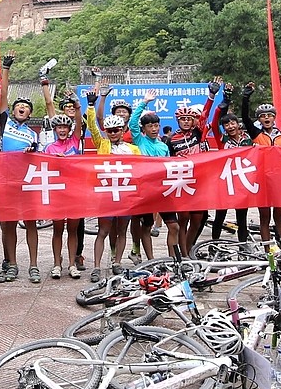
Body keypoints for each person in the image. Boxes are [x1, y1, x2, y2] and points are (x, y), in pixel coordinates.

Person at [86, 84, 141, 282]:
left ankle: (117, 262)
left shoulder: (133, 149)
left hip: (126, 195)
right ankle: (96, 267)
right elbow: (93, 126)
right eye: (109, 130)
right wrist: (90, 106)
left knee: (122, 230)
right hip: (106, 194)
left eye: (116, 130)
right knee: (103, 231)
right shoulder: (102, 144)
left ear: (123, 129)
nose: (112, 133)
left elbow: (143, 171)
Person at [0, 51, 40, 283]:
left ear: (30, 113)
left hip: (28, 183)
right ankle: (12, 264)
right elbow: (3, 95)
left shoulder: (33, 134)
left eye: (26, 106)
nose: (21, 108)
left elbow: (40, 157)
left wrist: (32, 152)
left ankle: (33, 265)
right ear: (13, 111)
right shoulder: (6, 124)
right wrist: (6, 67)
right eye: (18, 105)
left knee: (31, 224)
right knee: (8, 226)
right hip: (6, 181)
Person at [163, 78, 218, 257]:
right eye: (183, 119)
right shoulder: (171, 139)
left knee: (198, 219)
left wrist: (211, 95)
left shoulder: (197, 132)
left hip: (200, 180)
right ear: (178, 121)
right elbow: (168, 161)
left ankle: (188, 249)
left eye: (189, 119)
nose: (186, 122)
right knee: (183, 219)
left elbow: (205, 114)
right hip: (182, 181)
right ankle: (183, 254)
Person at [239, 82, 281, 244]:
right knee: (264, 218)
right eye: (263, 116)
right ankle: (269, 251)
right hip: (262, 180)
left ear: (274, 117)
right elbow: (245, 117)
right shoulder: (256, 133)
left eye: (269, 115)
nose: (266, 118)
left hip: (280, 180)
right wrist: (246, 96)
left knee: (279, 217)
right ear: (259, 119)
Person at [43, 100, 84, 279]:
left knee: (73, 231)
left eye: (65, 128)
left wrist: (77, 106)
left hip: (74, 193)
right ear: (54, 130)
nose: (62, 130)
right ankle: (57, 264)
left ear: (69, 130)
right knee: (58, 230)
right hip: (57, 193)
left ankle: (71, 264)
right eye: (58, 127)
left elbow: (80, 123)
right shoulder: (49, 148)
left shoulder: (75, 142)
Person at [208, 81, 252, 242]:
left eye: (232, 122)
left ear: (238, 124)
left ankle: (243, 247)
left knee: (242, 218)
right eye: (226, 124)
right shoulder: (222, 139)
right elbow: (214, 122)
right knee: (220, 216)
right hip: (225, 182)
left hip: (242, 181)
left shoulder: (248, 139)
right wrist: (225, 98)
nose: (230, 126)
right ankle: (214, 245)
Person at [128, 89, 169, 258]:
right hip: (144, 190)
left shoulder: (163, 146)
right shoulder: (139, 140)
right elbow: (132, 123)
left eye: (156, 125)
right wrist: (144, 102)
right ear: (143, 128)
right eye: (150, 126)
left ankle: (175, 258)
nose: (154, 128)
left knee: (173, 226)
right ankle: (150, 259)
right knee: (146, 225)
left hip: (162, 190)